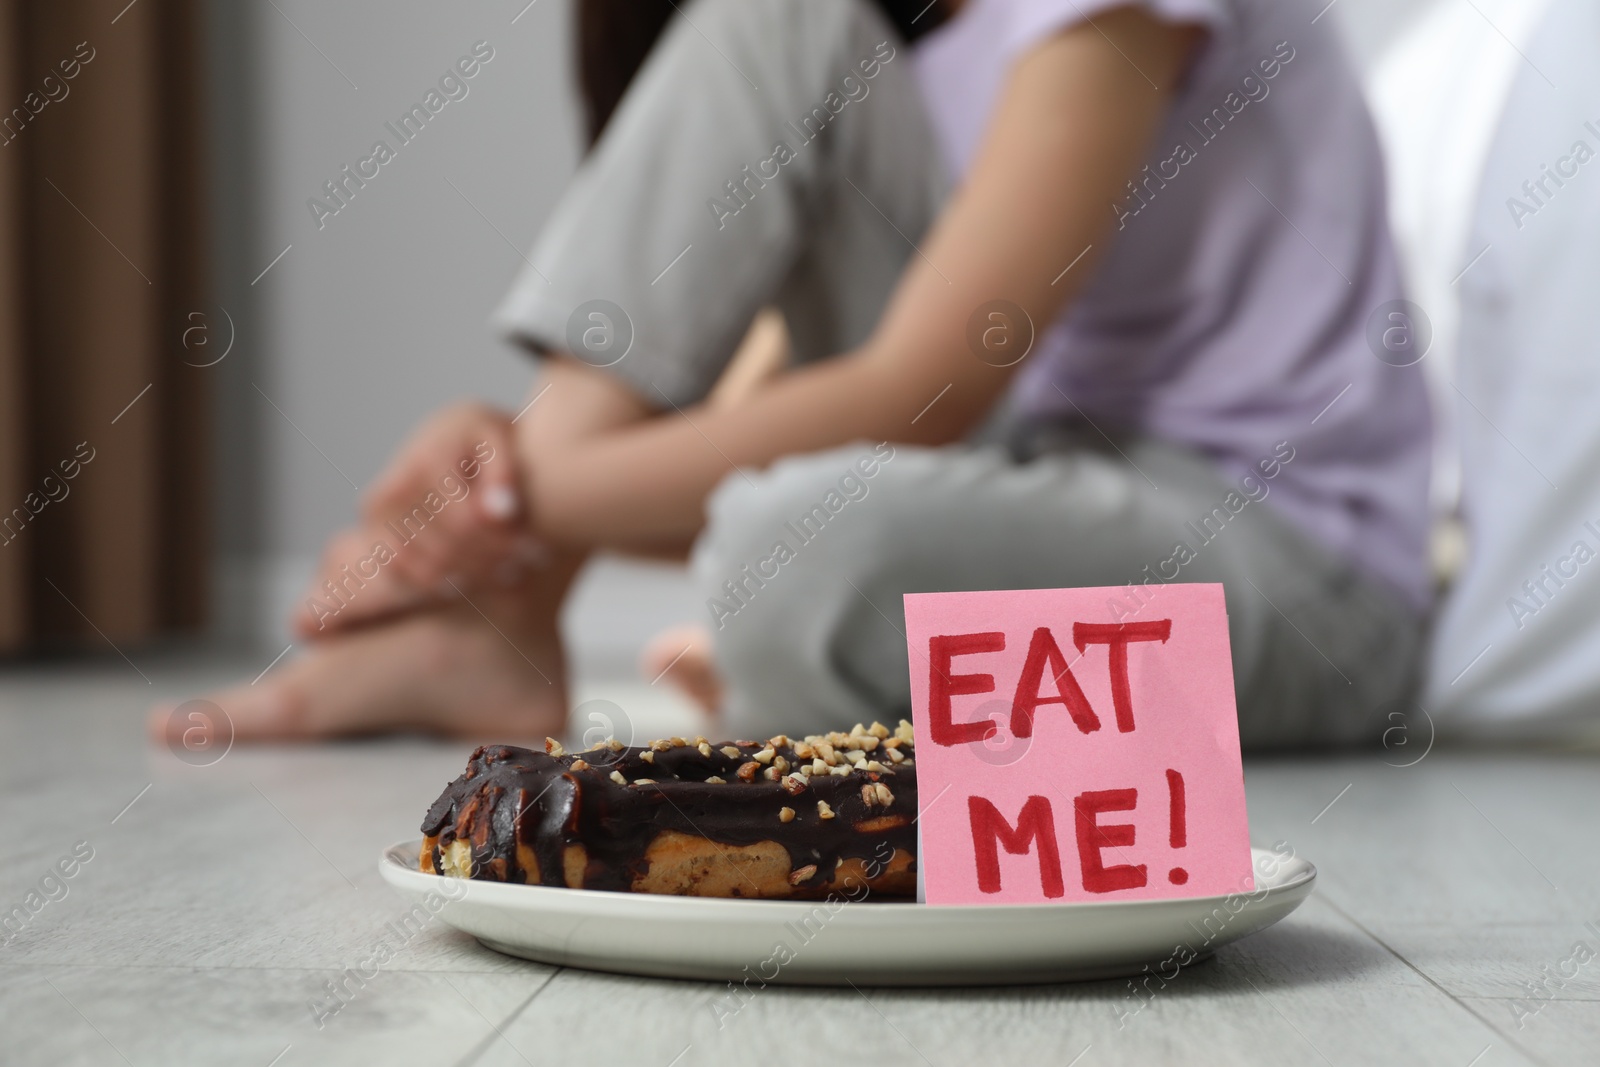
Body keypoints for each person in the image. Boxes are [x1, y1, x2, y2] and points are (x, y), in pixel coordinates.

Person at [157, 0, 1432, 750]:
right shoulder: (903, 47)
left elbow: (921, 395)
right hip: (1046, 483)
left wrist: (479, 503)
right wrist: (517, 458)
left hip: (1286, 561)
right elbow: (744, 436)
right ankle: (499, 609)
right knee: (786, 14)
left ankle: (511, 588)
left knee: (790, 556)